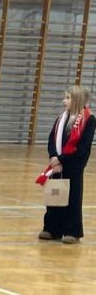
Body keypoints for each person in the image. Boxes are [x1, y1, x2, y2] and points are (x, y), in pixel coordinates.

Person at [39, 85, 94, 244]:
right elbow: (52, 139)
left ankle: (72, 231)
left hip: (74, 164)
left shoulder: (89, 120)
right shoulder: (61, 119)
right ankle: (52, 229)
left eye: (68, 98)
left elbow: (83, 147)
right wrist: (53, 156)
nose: (64, 101)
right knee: (54, 196)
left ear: (77, 100)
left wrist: (62, 159)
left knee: (72, 198)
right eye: (65, 98)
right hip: (57, 164)